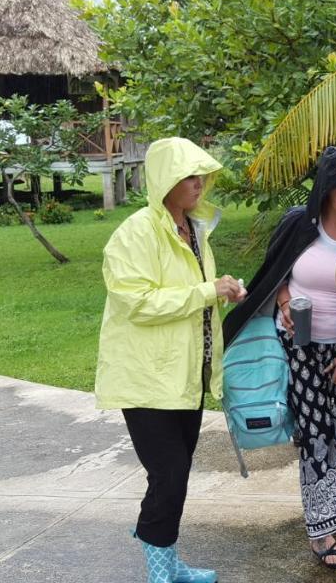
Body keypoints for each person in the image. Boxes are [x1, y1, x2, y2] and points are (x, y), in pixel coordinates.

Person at [95, 137, 247, 583]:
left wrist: (227, 292)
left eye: (201, 174)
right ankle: (160, 569)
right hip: (146, 379)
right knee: (171, 474)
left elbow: (193, 298)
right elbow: (135, 302)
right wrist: (207, 291)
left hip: (186, 377)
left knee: (172, 477)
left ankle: (166, 559)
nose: (199, 183)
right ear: (166, 181)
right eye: (188, 176)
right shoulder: (135, 233)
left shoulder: (195, 230)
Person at [222, 146, 336, 571]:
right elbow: (277, 274)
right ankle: (321, 530)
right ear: (324, 188)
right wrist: (287, 301)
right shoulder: (298, 224)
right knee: (315, 434)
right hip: (300, 347)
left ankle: (334, 510)